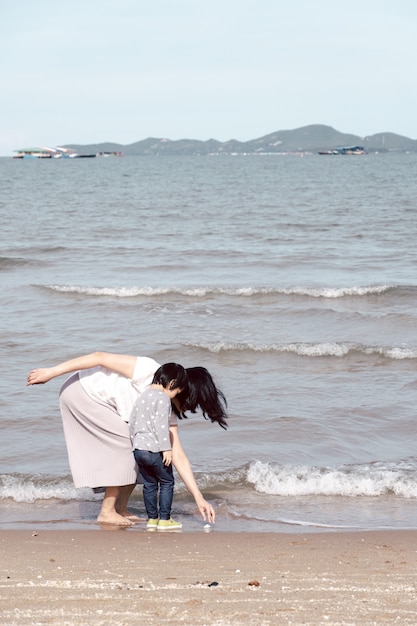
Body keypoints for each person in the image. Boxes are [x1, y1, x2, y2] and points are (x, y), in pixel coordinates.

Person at [26, 351, 228, 526]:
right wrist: (51, 372)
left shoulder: (167, 406)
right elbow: (100, 358)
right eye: (189, 402)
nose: (187, 408)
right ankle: (106, 512)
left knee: (142, 448)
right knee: (130, 446)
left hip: (100, 401)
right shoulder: (149, 370)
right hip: (82, 391)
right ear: (180, 388)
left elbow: (178, 455)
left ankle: (120, 508)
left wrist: (198, 498)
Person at [130, 363, 186, 531]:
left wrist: (135, 444)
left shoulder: (142, 396)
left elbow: (131, 423)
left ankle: (152, 519)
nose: (175, 395)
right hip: (155, 450)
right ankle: (164, 519)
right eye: (177, 391)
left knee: (149, 485)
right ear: (172, 383)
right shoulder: (162, 399)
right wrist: (166, 449)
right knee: (167, 481)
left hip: (139, 449)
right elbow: (161, 426)